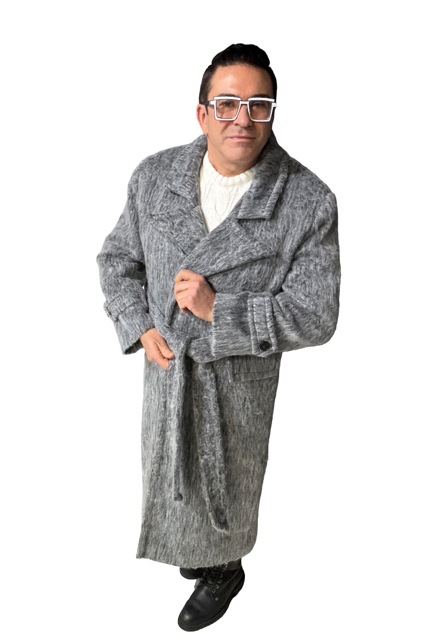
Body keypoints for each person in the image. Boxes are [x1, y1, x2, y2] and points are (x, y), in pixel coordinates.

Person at [96, 43, 341, 631]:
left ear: (273, 113)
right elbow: (118, 260)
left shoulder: (306, 200)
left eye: (259, 105)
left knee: (228, 485)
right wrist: (139, 324)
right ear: (202, 113)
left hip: (237, 382)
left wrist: (219, 310)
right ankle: (200, 551)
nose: (243, 119)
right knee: (169, 475)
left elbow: (317, 313)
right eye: (228, 104)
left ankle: (224, 570)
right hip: (169, 370)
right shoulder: (155, 177)